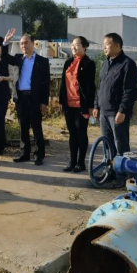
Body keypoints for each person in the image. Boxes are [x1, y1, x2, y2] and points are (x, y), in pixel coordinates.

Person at [93, 33, 137, 159]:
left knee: (120, 145)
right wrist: (96, 106)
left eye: (107, 44)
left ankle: (122, 170)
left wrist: (122, 110)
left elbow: (130, 91)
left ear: (117, 46)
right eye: (103, 45)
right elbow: (100, 87)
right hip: (104, 111)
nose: (104, 47)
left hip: (117, 112)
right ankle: (109, 168)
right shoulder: (105, 64)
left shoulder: (127, 64)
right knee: (107, 145)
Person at [11, 34, 51, 166]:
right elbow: (4, 57)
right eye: (22, 43)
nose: (24, 46)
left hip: (34, 98)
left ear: (33, 43)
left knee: (36, 127)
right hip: (21, 98)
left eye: (26, 43)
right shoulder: (18, 59)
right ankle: (25, 153)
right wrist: (5, 42)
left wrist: (44, 102)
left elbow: (46, 84)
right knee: (23, 126)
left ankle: (39, 155)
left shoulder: (42, 61)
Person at [59, 36, 96, 173]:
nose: (73, 47)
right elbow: (63, 83)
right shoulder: (68, 62)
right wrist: (61, 100)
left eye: (77, 45)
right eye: (72, 45)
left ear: (84, 47)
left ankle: (81, 163)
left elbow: (90, 87)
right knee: (72, 134)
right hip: (68, 104)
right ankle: (72, 161)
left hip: (81, 105)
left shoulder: (89, 63)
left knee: (81, 133)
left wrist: (90, 106)